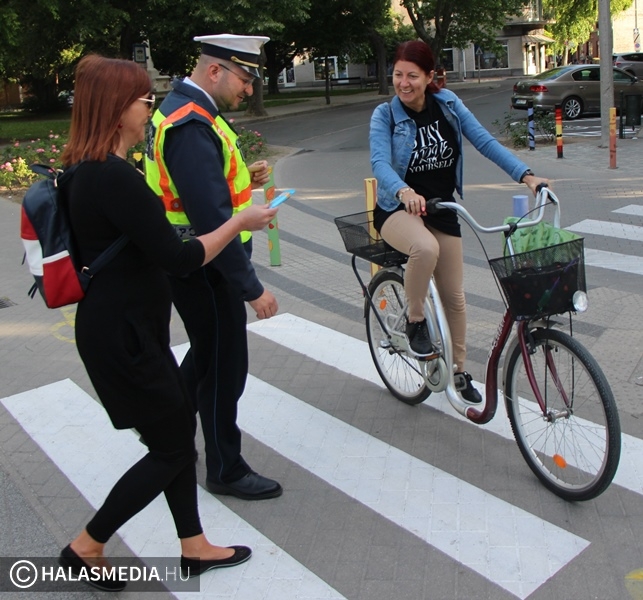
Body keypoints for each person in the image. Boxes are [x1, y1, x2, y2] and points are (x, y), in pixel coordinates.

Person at [58, 54, 279, 591]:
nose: (149, 111)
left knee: (177, 435)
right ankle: (86, 546)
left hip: (127, 329)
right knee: (173, 448)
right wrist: (239, 221)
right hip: (125, 337)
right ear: (118, 109)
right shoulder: (113, 177)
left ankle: (193, 546)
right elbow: (180, 258)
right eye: (144, 100)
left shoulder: (87, 170)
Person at [369, 40, 549, 404]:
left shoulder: (448, 105)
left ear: (429, 77)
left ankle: (457, 371)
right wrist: (404, 191)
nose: (403, 83)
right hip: (398, 210)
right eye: (398, 75)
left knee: (455, 297)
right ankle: (415, 320)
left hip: (442, 209)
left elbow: (484, 142)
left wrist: (527, 176)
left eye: (412, 76)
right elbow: (380, 163)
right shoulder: (385, 115)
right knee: (425, 248)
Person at [145, 34, 282, 501]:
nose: (249, 89)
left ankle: (166, 432)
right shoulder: (191, 124)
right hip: (207, 266)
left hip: (196, 261)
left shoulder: (186, 110)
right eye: (245, 78)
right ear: (215, 71)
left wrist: (245, 173)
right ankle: (226, 468)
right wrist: (251, 288)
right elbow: (211, 218)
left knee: (206, 354)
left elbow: (200, 185)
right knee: (225, 366)